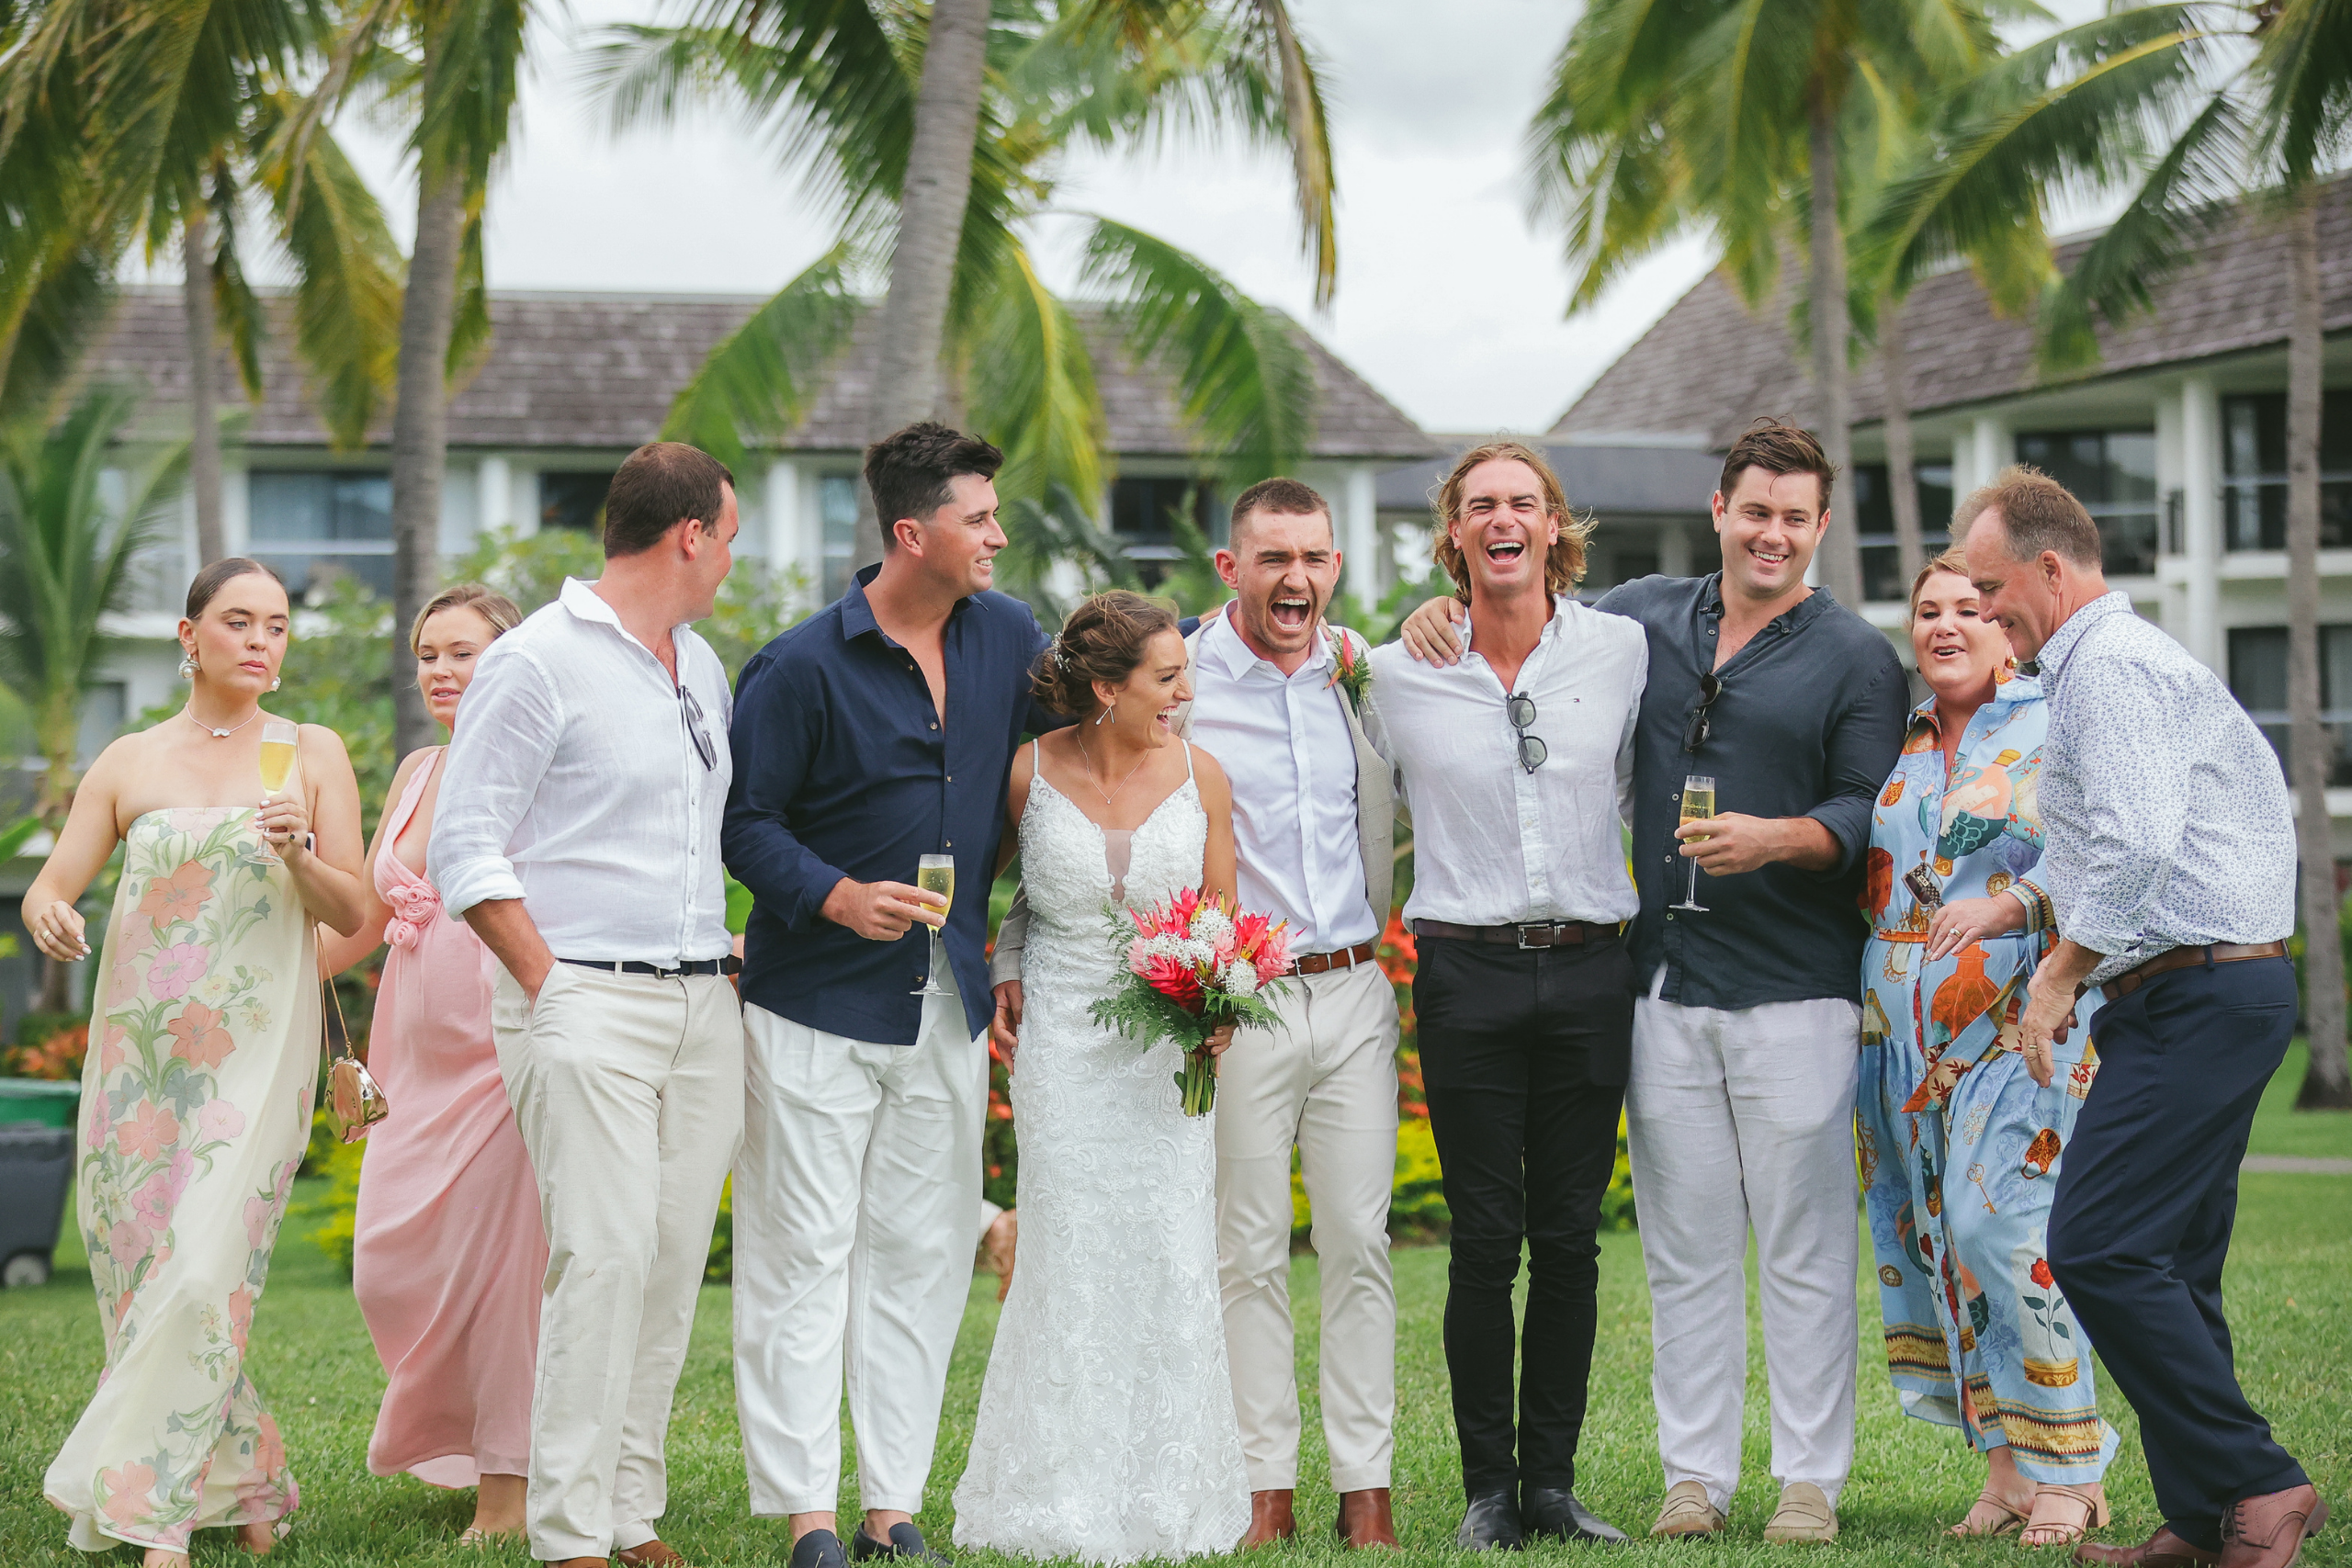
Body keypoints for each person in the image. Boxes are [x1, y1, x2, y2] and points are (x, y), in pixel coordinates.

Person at [1399, 418, 1909, 1543]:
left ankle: (1809, 1481)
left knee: (1803, 1249)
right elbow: (1515, 620)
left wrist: (1777, 840)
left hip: (1796, 993)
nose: (1770, 533)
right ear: (1719, 511)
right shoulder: (1638, 620)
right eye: (1753, 511)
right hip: (1660, 988)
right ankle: (1695, 1481)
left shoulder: (1859, 658)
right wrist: (1428, 612)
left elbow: (1869, 815)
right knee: (1682, 1248)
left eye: (1793, 517)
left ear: (1819, 528)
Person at [991, 479, 1405, 1551]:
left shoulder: (1363, 670)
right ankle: (1262, 1484)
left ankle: (1368, 1487)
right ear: (1232, 568)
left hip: (1354, 982)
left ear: (1335, 567)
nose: (1296, 578)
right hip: (1237, 1006)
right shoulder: (1190, 679)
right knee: (1241, 1250)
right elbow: (1029, 867)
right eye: (1274, 557)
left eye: (1314, 558)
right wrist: (1009, 961)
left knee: (1361, 1239)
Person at [1962, 469, 2325, 1568]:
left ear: (2051, 569)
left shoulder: (2109, 667)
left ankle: (2261, 1487)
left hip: (2197, 993)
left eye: (1990, 588)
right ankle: (2209, 1515)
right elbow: (2093, 847)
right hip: (2196, 988)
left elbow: (2132, 847)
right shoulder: (2093, 671)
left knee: (2098, 1245)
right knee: (2171, 1260)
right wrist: (2025, 905)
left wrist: (2057, 973)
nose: (1983, 612)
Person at [722, 423, 1057, 1568]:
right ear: (913, 534)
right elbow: (745, 825)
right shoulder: (796, 666)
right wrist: (831, 895)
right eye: (979, 519)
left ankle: (890, 1508)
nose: (998, 536)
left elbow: (1088, 730)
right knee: (802, 1255)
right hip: (811, 999)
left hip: (946, 1001)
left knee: (919, 1254)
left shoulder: (1012, 637)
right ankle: (808, 1514)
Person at [429, 443, 745, 1568]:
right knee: (603, 1256)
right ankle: (567, 1535)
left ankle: (629, 1513)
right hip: (583, 1000)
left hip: (705, 1006)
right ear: (688, 537)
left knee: (664, 1267)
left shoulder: (700, 666)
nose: (731, 560)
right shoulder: (535, 660)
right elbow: (461, 844)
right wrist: (549, 984)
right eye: (730, 536)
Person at [28, 559, 370, 1567]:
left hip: (256, 1059)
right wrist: (45, 911)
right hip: (136, 1066)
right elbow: (53, 884)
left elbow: (358, 911)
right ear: (190, 637)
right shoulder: (127, 760)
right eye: (238, 622)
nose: (262, 641)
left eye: (276, 626)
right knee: (147, 1281)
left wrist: (303, 855)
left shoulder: (311, 753)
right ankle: (252, 1484)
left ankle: (156, 1521)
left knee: (203, 1275)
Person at [1365, 441, 1645, 1551]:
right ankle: (1490, 1491)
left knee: (1569, 1241)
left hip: (1590, 966)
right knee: (1485, 1242)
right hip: (1466, 970)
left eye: (1521, 503)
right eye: (1480, 505)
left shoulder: (1620, 648)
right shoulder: (1394, 668)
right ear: (1453, 534)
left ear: (1552, 525)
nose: (1501, 519)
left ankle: (1554, 1489)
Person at [953, 591, 1250, 1562]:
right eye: (1167, 677)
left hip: (1163, 1052)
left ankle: (1167, 1495)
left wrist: (1217, 1010)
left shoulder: (1203, 775)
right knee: (1068, 1254)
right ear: (1104, 687)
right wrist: (1001, 967)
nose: (1184, 693)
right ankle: (1055, 1493)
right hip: (1063, 1047)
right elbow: (1000, 895)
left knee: (1167, 1253)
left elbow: (1222, 921)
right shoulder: (1026, 771)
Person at [1857, 548, 2116, 1549]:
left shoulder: (2053, 723)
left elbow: (2094, 854)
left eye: (1969, 607)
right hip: (1894, 1034)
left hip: (2020, 1019)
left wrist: (2017, 911)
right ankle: (2005, 1469)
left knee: (2000, 1226)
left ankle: (2072, 1469)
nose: (1946, 626)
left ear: (2005, 621)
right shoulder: (1900, 737)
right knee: (1935, 1242)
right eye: (1928, 611)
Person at [318, 583, 544, 1542]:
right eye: (429, 654)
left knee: (501, 1280)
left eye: (464, 652)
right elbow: (368, 921)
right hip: (408, 1067)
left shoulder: (545, 763)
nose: (442, 672)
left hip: (503, 1054)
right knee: (389, 1266)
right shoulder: (416, 769)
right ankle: (461, 1440)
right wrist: (259, 979)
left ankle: (509, 1490)